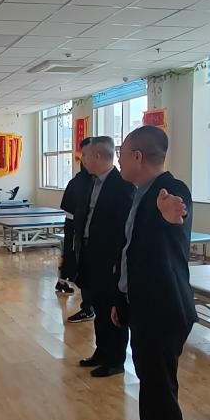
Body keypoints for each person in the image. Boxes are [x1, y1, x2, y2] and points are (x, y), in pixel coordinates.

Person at [113, 126, 195, 420]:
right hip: (144, 303)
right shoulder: (140, 192)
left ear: (137, 157)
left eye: (122, 154)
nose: (118, 161)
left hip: (164, 307)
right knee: (148, 376)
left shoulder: (170, 191)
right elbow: (131, 252)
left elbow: (176, 227)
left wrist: (170, 217)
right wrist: (122, 300)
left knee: (162, 388)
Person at [75, 136, 135, 378]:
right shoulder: (93, 182)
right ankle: (101, 351)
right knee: (99, 306)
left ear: (98, 157)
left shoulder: (122, 185)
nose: (83, 160)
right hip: (92, 253)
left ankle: (115, 359)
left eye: (86, 156)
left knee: (112, 308)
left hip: (110, 259)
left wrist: (116, 262)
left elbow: (123, 229)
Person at [58, 137, 95, 324]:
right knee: (74, 258)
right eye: (84, 155)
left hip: (92, 234)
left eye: (89, 155)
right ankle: (86, 305)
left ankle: (89, 305)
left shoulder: (105, 182)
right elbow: (69, 209)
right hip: (76, 229)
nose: (85, 159)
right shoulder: (79, 181)